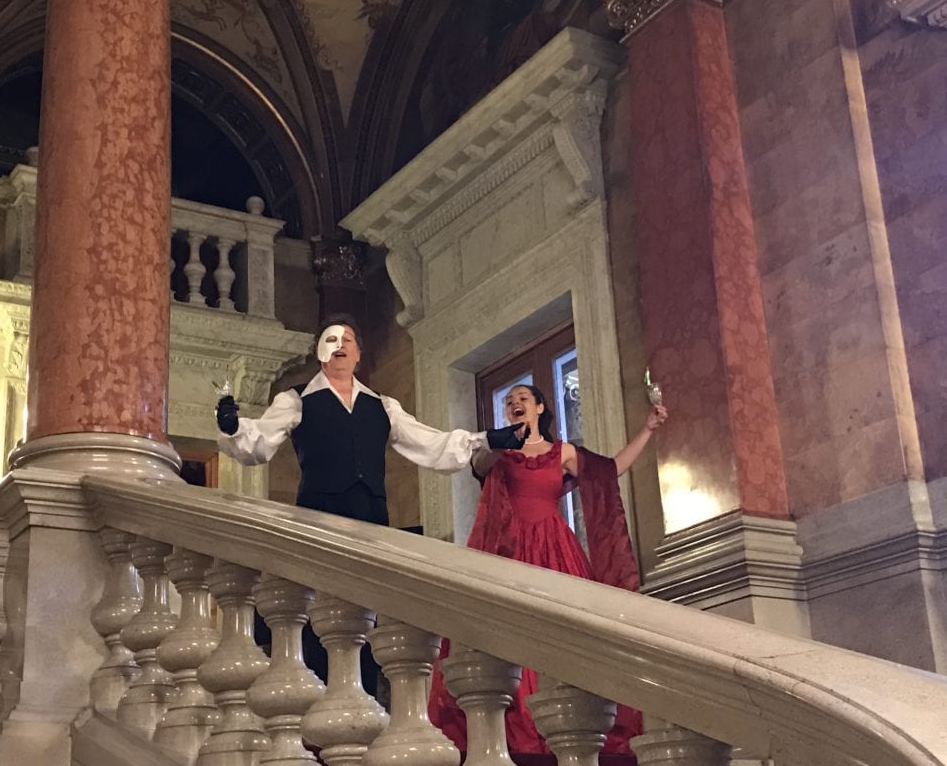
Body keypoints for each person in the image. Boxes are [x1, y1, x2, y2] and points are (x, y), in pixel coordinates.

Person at [215, 315, 530, 692]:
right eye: (331, 340)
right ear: (320, 352)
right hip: (320, 516)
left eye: (348, 339)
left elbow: (431, 443)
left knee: (366, 610)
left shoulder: (382, 405)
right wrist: (233, 428)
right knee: (322, 611)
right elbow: (258, 441)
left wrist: (487, 439)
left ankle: (363, 696)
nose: (339, 345)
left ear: (359, 353)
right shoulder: (296, 400)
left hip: (371, 519)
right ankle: (319, 697)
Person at [428, 382, 667, 756]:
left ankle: (574, 715)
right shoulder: (499, 454)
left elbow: (609, 470)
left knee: (569, 631)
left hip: (556, 549)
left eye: (523, 398)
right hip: (510, 551)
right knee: (514, 634)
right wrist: (500, 440)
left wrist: (647, 431)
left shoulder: (563, 452)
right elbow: (478, 464)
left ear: (540, 407)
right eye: (509, 402)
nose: (515, 404)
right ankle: (522, 726)